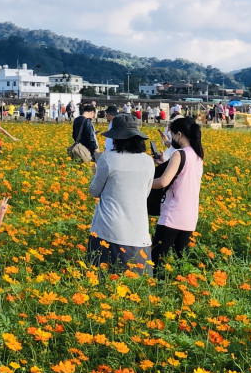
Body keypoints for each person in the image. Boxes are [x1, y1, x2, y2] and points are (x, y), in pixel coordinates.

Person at [87, 115, 153, 274]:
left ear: (116, 138)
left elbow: (94, 191)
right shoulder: (148, 161)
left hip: (108, 231)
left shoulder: (108, 158)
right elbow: (146, 193)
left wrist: (96, 174)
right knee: (137, 288)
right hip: (138, 233)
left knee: (101, 284)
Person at [150, 117, 204, 275]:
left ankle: (158, 290)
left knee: (158, 259)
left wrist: (143, 182)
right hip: (190, 216)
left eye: (172, 134)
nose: (171, 138)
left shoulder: (179, 154)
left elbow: (163, 182)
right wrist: (164, 165)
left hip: (173, 215)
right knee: (182, 260)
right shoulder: (198, 154)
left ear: (179, 134)